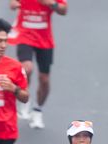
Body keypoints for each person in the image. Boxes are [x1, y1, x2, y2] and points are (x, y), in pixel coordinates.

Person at [8, 0, 67, 129]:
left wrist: (51, 4)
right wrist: (13, 4)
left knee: (44, 79)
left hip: (44, 40)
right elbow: (13, 3)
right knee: (27, 69)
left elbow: (64, 10)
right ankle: (24, 101)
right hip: (24, 36)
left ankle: (37, 110)